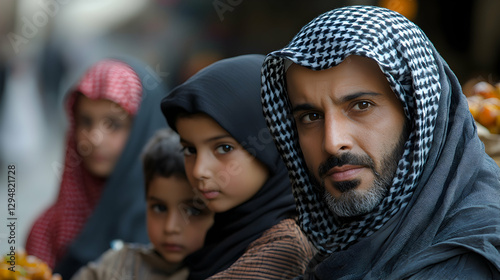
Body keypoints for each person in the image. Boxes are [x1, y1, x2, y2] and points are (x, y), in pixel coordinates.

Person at [260, 5, 500, 279]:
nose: (332, 142)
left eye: (361, 105)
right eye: (311, 116)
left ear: (419, 113)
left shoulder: (468, 259)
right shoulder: (333, 242)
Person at [161, 54, 316, 279]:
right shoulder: (224, 233)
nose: (199, 171)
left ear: (276, 144)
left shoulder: (286, 246)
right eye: (189, 150)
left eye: (223, 148)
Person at [25, 57, 170, 279]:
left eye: (113, 124)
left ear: (144, 129)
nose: (95, 138)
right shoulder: (47, 231)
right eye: (86, 121)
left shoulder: (174, 228)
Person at [71, 128, 214, 280]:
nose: (170, 227)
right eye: (160, 208)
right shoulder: (115, 265)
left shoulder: (223, 272)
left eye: (192, 211)